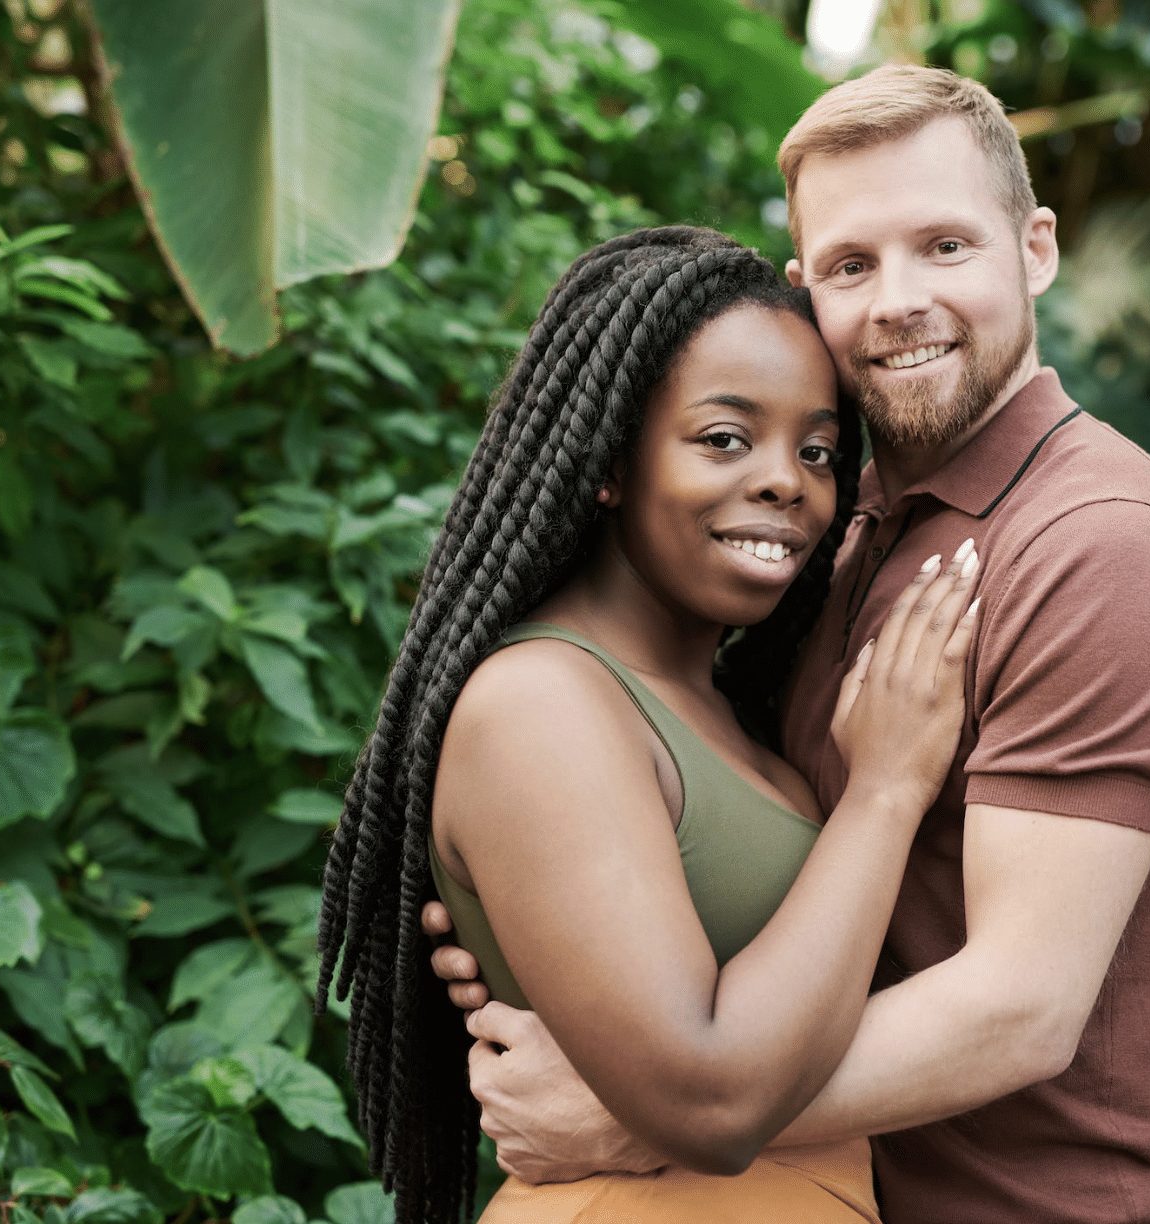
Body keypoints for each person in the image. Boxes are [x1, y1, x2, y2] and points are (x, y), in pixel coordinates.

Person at [428, 67, 1150, 1224]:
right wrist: (543, 948)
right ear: (806, 283)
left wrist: (644, 1110)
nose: (900, 299)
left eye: (946, 246)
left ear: (1036, 250)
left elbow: (1018, 1004)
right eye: (854, 265)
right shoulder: (833, 534)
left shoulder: (1102, 545)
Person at [314, 226, 986, 1224]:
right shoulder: (541, 703)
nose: (786, 483)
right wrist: (886, 791)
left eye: (818, 452)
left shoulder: (718, 712)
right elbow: (711, 1101)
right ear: (608, 463)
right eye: (725, 438)